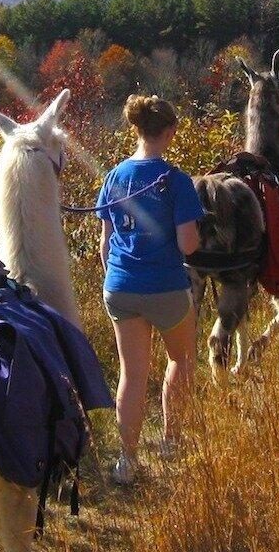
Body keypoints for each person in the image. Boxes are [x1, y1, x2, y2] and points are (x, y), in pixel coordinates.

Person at [96, 94, 204, 486]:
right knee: (182, 360)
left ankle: (126, 460)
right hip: (166, 287)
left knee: (132, 373)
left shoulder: (114, 177)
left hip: (120, 287)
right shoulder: (176, 182)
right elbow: (188, 244)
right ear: (170, 131)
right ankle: (172, 442)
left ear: (136, 129)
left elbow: (105, 242)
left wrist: (119, 276)